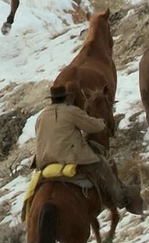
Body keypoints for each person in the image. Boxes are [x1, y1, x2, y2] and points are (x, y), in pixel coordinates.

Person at [34, 84, 143, 215]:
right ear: (65, 98)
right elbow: (92, 127)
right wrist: (102, 123)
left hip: (45, 160)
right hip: (71, 157)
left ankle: (28, 212)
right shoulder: (71, 111)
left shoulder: (41, 116)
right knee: (104, 167)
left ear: (51, 99)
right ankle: (122, 199)